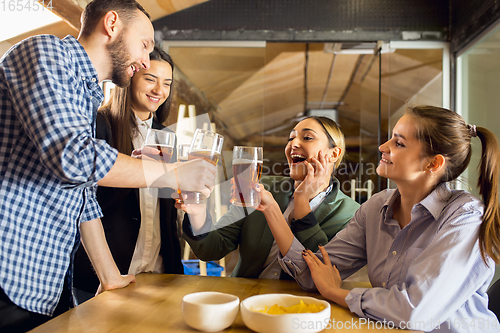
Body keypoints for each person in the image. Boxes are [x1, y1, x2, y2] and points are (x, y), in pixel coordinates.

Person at [0, 0, 215, 331]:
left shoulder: (84, 93)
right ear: (112, 24)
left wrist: (110, 276)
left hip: (47, 283)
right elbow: (73, 158)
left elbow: (82, 196)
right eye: (144, 44)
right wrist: (172, 172)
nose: (145, 60)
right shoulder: (44, 53)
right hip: (9, 274)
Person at [260, 106, 500, 332]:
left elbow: (414, 311)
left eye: (399, 143)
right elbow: (315, 273)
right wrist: (271, 209)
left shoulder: (466, 218)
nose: (382, 147)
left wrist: (336, 292)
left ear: (432, 163)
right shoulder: (375, 208)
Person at [179, 116, 360, 278]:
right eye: (291, 138)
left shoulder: (351, 215)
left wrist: (301, 201)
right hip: (245, 297)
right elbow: (211, 249)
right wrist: (197, 213)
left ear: (334, 154)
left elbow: (318, 272)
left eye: (307, 137)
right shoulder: (261, 187)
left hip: (303, 305)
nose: (293, 144)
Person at [73, 46, 184, 304]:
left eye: (167, 83)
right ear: (130, 78)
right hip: (108, 273)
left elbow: (166, 214)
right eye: (150, 79)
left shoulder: (167, 137)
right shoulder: (99, 124)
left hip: (159, 270)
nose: (160, 91)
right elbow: (85, 200)